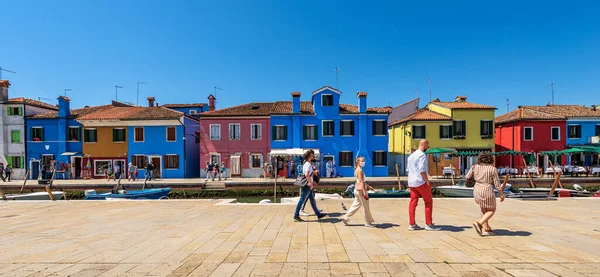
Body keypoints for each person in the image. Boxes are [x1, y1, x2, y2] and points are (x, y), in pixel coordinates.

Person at [466, 152, 505, 236]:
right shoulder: (492, 169)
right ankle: (479, 223)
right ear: (490, 159)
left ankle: (486, 229)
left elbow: (467, 177)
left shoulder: (474, 167)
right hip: (487, 189)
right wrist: (501, 194)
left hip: (477, 189)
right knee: (491, 209)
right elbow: (497, 183)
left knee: (483, 208)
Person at [407, 139, 440, 231]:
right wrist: (427, 181)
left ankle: (412, 224)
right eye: (427, 146)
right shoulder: (422, 155)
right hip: (421, 182)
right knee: (428, 201)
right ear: (424, 145)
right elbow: (422, 170)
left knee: (413, 202)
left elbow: (408, 169)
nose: (427, 148)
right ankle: (428, 224)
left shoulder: (411, 156)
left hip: (411, 182)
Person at [293, 150, 327, 222]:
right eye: (312, 155)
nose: (313, 156)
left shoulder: (307, 163)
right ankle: (296, 215)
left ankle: (318, 214)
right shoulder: (308, 164)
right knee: (302, 200)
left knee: (312, 200)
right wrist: (311, 183)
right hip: (307, 185)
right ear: (309, 157)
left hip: (308, 185)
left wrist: (314, 173)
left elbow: (309, 173)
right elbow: (306, 175)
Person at [341, 156, 375, 227]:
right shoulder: (360, 171)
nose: (363, 162)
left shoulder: (356, 170)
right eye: (362, 161)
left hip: (357, 190)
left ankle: (346, 218)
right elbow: (361, 182)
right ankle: (367, 222)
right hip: (361, 191)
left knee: (355, 205)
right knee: (366, 206)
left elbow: (362, 181)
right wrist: (364, 192)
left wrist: (369, 187)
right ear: (358, 162)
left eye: (364, 161)